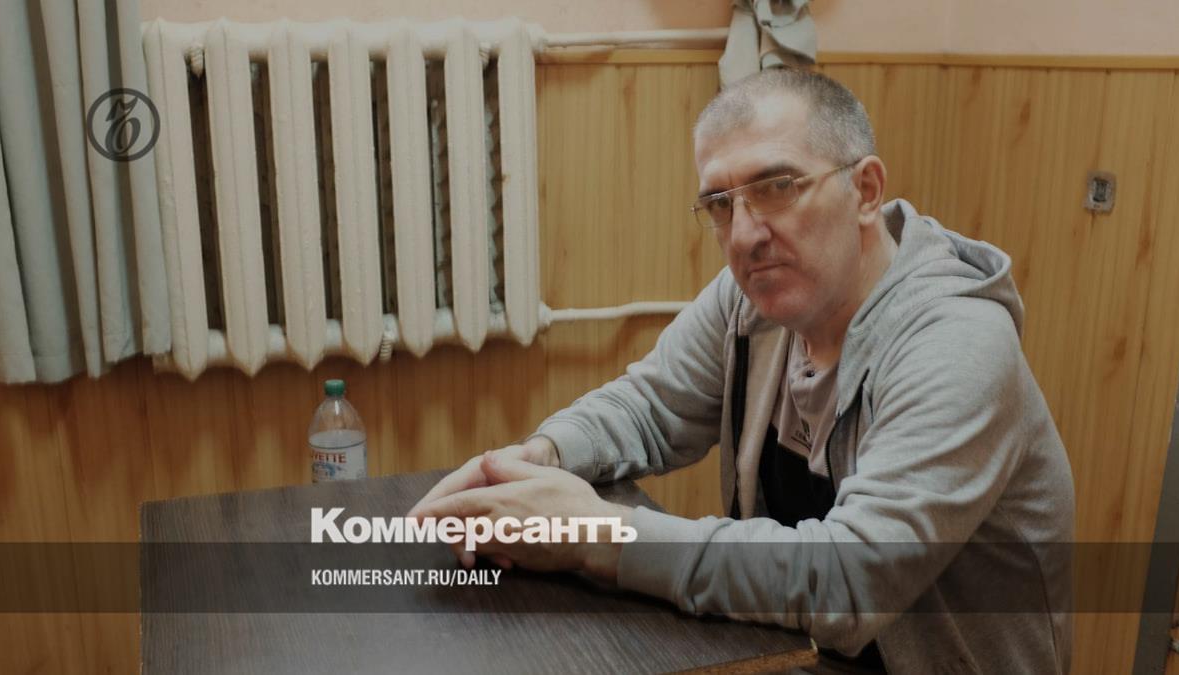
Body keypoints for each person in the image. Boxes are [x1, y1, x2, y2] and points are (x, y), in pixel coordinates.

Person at [410, 68, 1074, 675]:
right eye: (721, 204)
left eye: (777, 188)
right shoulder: (752, 297)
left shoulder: (957, 342)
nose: (744, 235)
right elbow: (650, 406)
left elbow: (849, 582)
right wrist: (535, 460)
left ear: (865, 191)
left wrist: (596, 536)